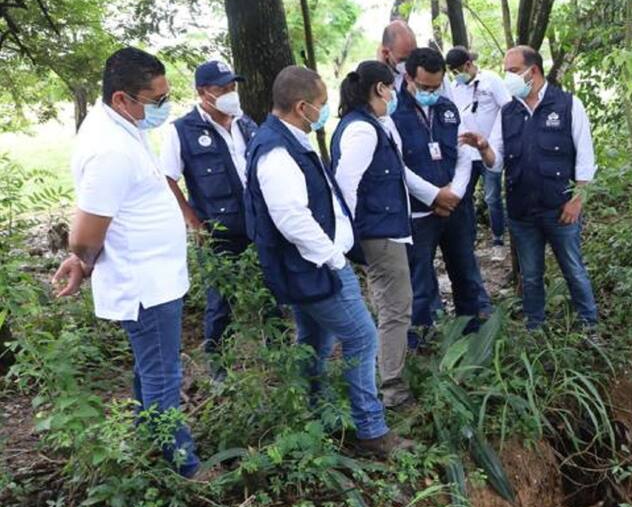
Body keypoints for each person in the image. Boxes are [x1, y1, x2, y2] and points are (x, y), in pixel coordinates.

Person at [52, 46, 201, 477]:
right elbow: (86, 232)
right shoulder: (110, 149)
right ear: (121, 98)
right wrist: (81, 260)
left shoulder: (121, 124)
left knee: (151, 367)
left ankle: (147, 442)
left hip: (156, 276)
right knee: (162, 374)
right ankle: (180, 465)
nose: (163, 107)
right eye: (156, 100)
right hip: (145, 283)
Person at [243, 65, 402, 458]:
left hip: (310, 267)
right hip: (314, 267)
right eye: (322, 104)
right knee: (362, 337)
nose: (325, 110)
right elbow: (291, 218)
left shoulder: (290, 139)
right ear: (302, 107)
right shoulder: (276, 151)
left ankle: (319, 415)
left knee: (315, 340)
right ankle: (371, 431)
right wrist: (333, 259)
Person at [329, 60, 457, 408]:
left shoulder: (375, 125)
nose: (395, 94)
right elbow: (345, 185)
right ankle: (392, 389)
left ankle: (384, 376)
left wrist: (435, 195)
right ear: (380, 88)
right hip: (378, 233)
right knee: (396, 309)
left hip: (387, 229)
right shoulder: (362, 130)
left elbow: (400, 174)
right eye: (391, 87)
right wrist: (348, 237)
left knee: (391, 305)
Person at [460, 46, 598, 331]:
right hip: (522, 212)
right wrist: (483, 147)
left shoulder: (568, 105)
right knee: (531, 275)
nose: (507, 78)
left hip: (561, 209)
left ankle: (589, 326)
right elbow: (497, 162)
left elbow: (586, 158)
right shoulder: (508, 112)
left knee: (574, 270)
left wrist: (577, 201)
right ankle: (535, 327)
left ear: (532, 71)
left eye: (512, 71)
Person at [160, 59, 258, 367]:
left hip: (257, 224)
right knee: (221, 300)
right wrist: (192, 221)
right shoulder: (182, 131)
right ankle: (218, 367)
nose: (231, 93)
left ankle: (278, 357)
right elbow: (167, 178)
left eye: (233, 86)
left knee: (270, 290)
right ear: (204, 92)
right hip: (217, 230)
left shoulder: (245, 123)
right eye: (222, 88)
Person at [392, 47, 491, 347]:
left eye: (436, 87)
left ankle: (472, 339)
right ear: (409, 79)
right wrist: (435, 195)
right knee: (420, 282)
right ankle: (421, 345)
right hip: (419, 213)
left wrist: (454, 194)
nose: (431, 93)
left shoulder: (448, 108)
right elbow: (397, 166)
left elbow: (463, 153)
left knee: (466, 273)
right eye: (424, 87)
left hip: (455, 208)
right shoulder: (393, 113)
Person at [445, 45, 511, 249]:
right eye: (452, 72)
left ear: (468, 64)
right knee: (463, 196)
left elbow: (507, 108)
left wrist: (499, 140)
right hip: (467, 152)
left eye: (458, 70)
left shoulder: (491, 80)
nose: (456, 75)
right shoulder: (454, 88)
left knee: (492, 197)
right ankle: (469, 239)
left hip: (490, 149)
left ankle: (498, 239)